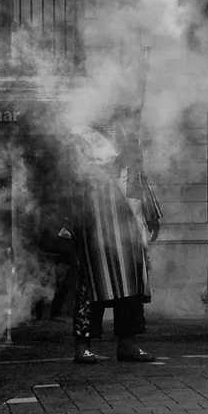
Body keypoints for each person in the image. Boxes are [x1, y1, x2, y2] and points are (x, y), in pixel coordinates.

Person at [54, 124, 160, 364]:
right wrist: (70, 226)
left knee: (131, 293)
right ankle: (83, 347)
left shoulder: (131, 161)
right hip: (95, 236)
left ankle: (128, 344)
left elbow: (142, 192)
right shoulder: (85, 157)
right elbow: (71, 195)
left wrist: (150, 220)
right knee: (90, 290)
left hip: (129, 237)